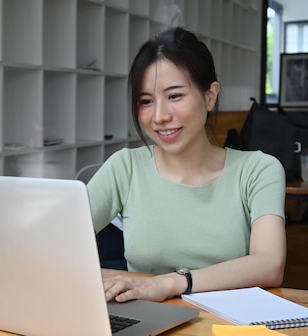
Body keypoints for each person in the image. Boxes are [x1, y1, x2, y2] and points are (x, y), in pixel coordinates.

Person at [86, 27, 286, 303]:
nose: (159, 116)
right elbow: (56, 239)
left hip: (231, 331)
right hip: (145, 320)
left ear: (210, 96)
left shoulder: (258, 170)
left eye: (175, 96)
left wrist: (172, 283)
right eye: (146, 101)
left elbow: (269, 264)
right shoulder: (125, 167)